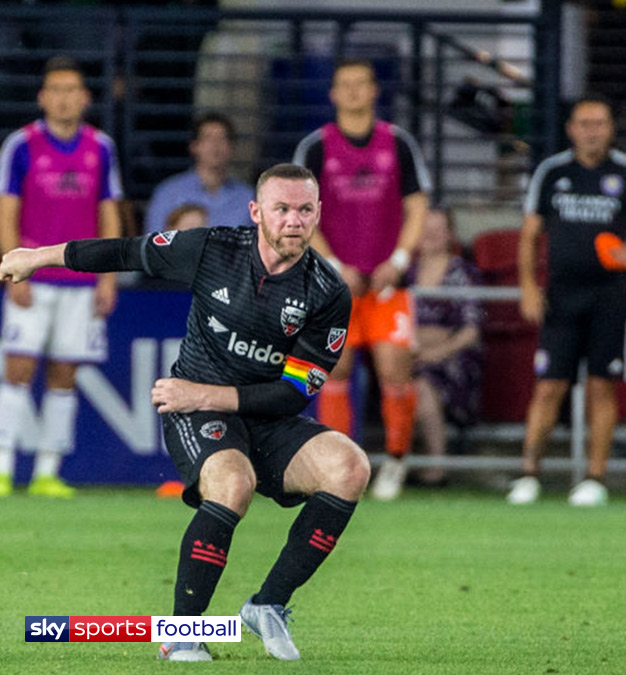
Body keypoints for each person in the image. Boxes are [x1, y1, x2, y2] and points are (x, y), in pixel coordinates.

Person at [0, 163, 368, 663]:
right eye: (281, 209)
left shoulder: (327, 291)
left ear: (318, 214)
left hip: (244, 409)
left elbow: (292, 394)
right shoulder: (213, 248)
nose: (293, 221)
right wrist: (36, 258)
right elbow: (127, 251)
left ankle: (269, 606)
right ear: (257, 212)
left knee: (349, 467)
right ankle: (181, 633)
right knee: (233, 484)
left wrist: (206, 394)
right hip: (194, 415)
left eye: (305, 210)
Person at [506, 95, 626, 507]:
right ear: (571, 128)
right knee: (548, 385)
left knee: (601, 386)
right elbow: (530, 233)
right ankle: (529, 475)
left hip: (611, 296)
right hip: (560, 296)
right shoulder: (552, 172)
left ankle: (594, 479)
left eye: (600, 123)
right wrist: (528, 287)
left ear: (611, 129)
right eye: (584, 123)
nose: (592, 130)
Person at [293, 58, 431, 501]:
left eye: (361, 84)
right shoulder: (316, 147)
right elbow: (300, 213)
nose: (353, 92)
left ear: (375, 91)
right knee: (336, 369)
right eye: (344, 85)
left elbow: (417, 205)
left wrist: (402, 257)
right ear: (332, 94)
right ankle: (340, 467)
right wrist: (334, 265)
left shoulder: (398, 143)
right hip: (333, 283)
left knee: (395, 368)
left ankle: (395, 462)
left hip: (389, 281)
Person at [0, 56, 122, 499]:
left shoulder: (101, 147)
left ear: (85, 98)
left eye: (74, 90)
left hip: (81, 278)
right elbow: (6, 210)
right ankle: (3, 467)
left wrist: (107, 277)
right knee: (17, 367)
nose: (66, 97)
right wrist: (15, 268)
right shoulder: (21, 145)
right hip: (33, 274)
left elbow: (109, 210)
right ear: (43, 97)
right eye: (57, 89)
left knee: (65, 373)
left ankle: (48, 472)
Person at [401, 207, 484, 488]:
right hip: (406, 355)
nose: (430, 235)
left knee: (423, 385)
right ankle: (395, 464)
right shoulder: (405, 272)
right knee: (398, 380)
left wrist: (436, 351)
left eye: (437, 230)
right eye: (424, 229)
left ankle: (437, 468)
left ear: (450, 234)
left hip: (452, 358)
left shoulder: (463, 273)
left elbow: (471, 331)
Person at [143, 112, 254, 233]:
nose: (215, 146)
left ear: (232, 146)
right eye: (208, 138)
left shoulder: (248, 198)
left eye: (222, 138)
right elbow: (153, 244)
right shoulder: (168, 194)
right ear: (194, 146)